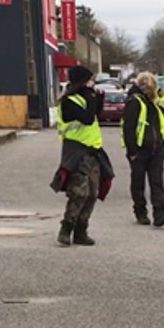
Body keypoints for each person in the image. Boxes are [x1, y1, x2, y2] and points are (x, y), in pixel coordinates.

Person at [50, 65, 114, 246]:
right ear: (81, 81)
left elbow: (94, 115)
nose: (92, 84)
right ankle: (67, 227)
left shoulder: (86, 98)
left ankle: (81, 229)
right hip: (76, 150)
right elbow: (86, 117)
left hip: (93, 149)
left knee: (93, 192)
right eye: (89, 80)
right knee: (79, 191)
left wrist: (99, 99)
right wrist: (91, 96)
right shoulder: (69, 101)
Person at [121, 72, 164, 227]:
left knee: (157, 182)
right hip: (139, 150)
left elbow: (160, 125)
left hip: (156, 149)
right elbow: (128, 128)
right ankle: (140, 212)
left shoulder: (152, 103)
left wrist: (163, 144)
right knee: (138, 183)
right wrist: (132, 151)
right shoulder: (135, 102)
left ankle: (160, 213)